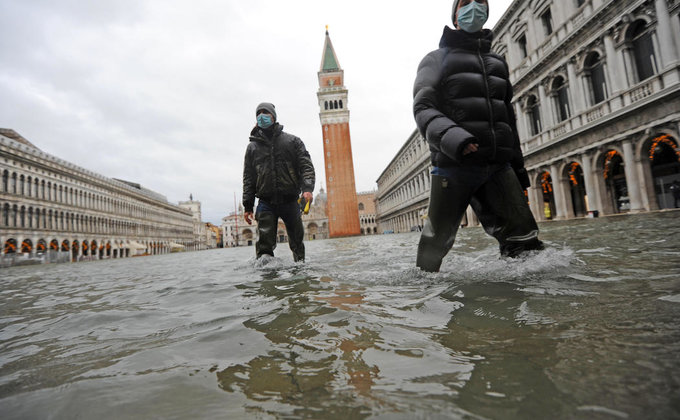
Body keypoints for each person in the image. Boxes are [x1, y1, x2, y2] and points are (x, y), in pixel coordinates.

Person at [413, 0, 543, 272]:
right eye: (466, 3)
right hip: (452, 164)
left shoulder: (497, 62)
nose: (474, 7)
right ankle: (424, 300)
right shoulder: (436, 59)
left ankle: (527, 301)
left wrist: (518, 170)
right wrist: (456, 139)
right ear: (456, 15)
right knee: (435, 244)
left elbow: (508, 118)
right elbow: (423, 107)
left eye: (481, 2)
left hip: (497, 166)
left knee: (525, 240)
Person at [242, 102, 315, 262]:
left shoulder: (292, 141)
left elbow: (306, 166)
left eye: (265, 112)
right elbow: (249, 178)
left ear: (273, 116)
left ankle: (301, 277)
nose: (262, 116)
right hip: (265, 202)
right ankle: (267, 280)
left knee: (297, 244)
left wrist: (307, 188)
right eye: (258, 113)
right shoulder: (252, 148)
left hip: (291, 201)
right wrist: (248, 206)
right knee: (264, 248)